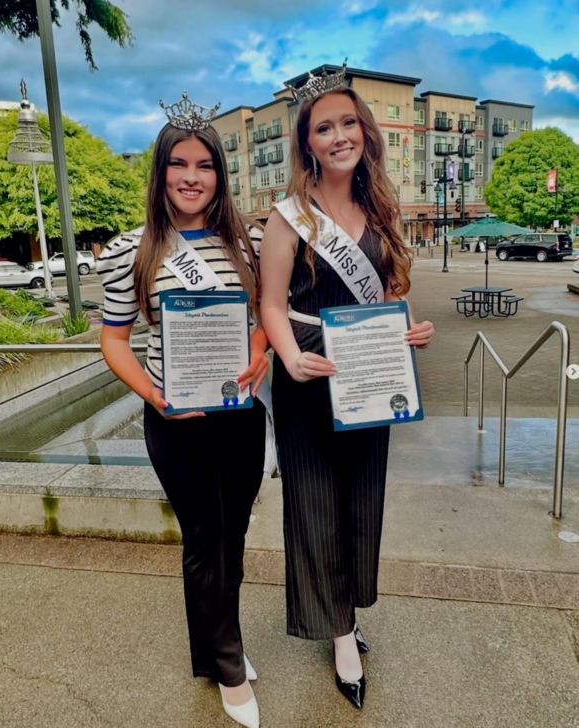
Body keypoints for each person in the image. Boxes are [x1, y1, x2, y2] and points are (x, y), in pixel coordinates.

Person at [260, 66, 435, 709]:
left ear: (365, 130)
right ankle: (337, 633)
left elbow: (390, 295)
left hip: (368, 371)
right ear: (307, 142)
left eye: (348, 122)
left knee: (361, 499)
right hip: (309, 371)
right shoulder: (289, 218)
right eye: (324, 127)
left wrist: (410, 330)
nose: (339, 136)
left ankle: (348, 610)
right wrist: (289, 358)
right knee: (314, 505)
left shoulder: (379, 209)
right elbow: (271, 305)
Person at [97, 91, 270, 728]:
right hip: (174, 420)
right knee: (203, 539)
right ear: (161, 171)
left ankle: (213, 647)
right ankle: (228, 666)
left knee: (236, 535)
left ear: (220, 174)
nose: (191, 178)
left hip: (240, 414)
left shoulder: (250, 241)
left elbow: (263, 321)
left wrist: (259, 353)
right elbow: (114, 340)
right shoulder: (131, 249)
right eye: (179, 164)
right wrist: (153, 396)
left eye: (205, 165)